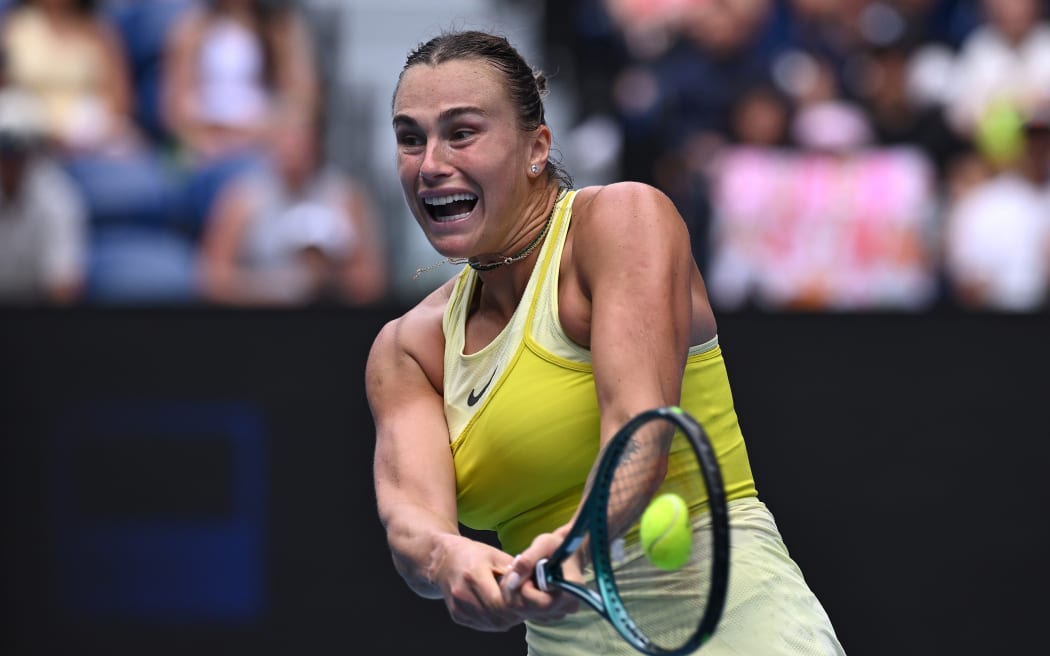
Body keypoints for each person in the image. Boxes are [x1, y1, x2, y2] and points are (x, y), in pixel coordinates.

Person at [365, 30, 846, 655]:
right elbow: (410, 517)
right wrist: (448, 557)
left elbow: (639, 431)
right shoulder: (407, 350)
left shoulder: (623, 221)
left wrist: (578, 546)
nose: (430, 163)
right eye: (411, 139)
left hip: (742, 629)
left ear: (537, 147)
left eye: (462, 133)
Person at [198, 122, 388, 306]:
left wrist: (325, 280)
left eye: (301, 145)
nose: (293, 155)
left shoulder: (345, 197)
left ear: (316, 148)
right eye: (286, 146)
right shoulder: (243, 198)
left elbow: (371, 281)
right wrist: (275, 287)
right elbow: (213, 280)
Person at [0, 87, 88, 304]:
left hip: (39, 311)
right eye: (4, 152)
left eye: (18, 152)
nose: (10, 163)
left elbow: (65, 285)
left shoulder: (59, 197)